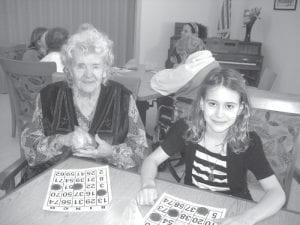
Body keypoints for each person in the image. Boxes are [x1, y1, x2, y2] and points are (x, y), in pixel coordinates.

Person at [137, 68, 286, 225]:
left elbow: (277, 193)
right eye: (213, 104)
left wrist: (246, 218)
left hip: (234, 207)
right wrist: (147, 183)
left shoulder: (249, 142)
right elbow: (151, 160)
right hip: (193, 202)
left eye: (229, 106)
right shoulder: (185, 129)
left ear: (240, 109)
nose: (219, 114)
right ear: (202, 104)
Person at [21, 24, 149, 181]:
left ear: (105, 70)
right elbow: (29, 149)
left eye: (95, 66)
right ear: (68, 69)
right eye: (80, 66)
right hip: (55, 180)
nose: (88, 74)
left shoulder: (122, 97)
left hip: (107, 181)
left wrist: (111, 152)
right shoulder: (49, 96)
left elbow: (140, 149)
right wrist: (61, 140)